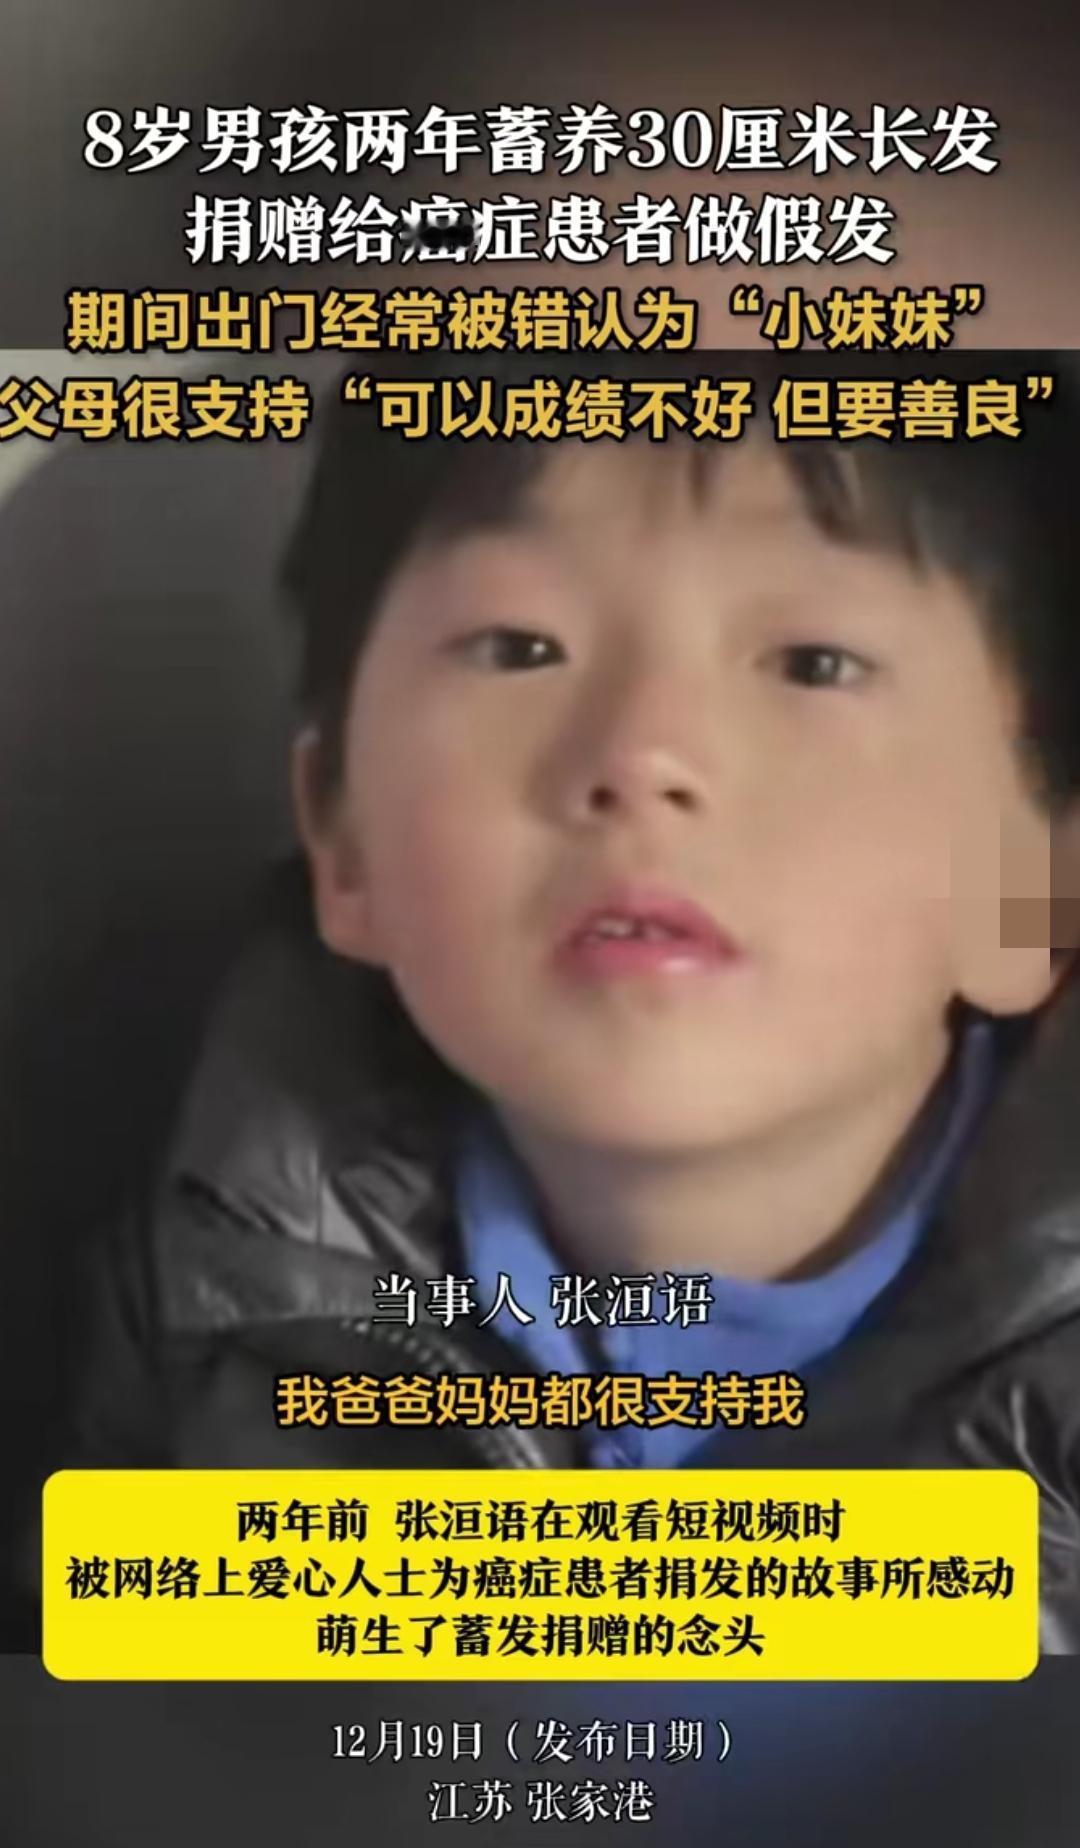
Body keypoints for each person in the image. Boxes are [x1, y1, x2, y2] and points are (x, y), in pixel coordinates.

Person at [62, 352, 1080, 1647]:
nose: (642, 753)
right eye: (519, 647)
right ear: (340, 836)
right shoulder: (207, 1271)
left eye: (813, 663)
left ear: (1038, 885)